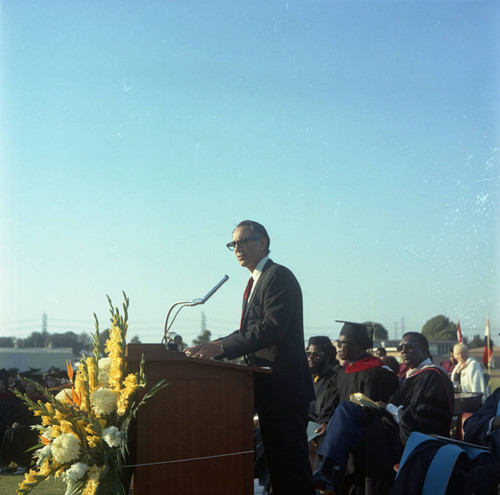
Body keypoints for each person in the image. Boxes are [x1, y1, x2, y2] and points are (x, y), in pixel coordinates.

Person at [184, 220, 315, 495]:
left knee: (291, 467)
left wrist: (220, 349)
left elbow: (270, 328)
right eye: (233, 244)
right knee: (278, 468)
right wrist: (215, 344)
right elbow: (248, 331)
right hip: (269, 387)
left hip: (285, 387)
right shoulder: (256, 279)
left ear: (263, 242)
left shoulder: (279, 276)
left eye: (243, 242)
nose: (237, 249)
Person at [314, 332, 454, 494]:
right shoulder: (413, 376)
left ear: (424, 349)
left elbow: (422, 419)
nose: (403, 351)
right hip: (396, 431)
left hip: (416, 441)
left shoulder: (433, 376)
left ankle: (329, 476)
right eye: (400, 347)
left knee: (357, 431)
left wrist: (388, 408)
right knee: (347, 409)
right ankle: (325, 472)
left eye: (409, 346)